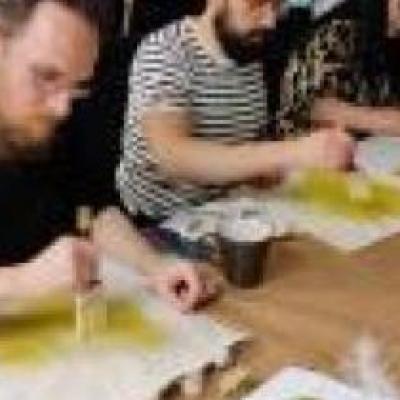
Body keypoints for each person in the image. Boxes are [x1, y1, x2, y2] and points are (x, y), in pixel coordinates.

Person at [0, 0, 214, 312]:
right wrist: (21, 281)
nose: (62, 108)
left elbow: (93, 206)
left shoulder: (54, 121)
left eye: (77, 86)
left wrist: (155, 266)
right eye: (46, 76)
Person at [117, 0, 354, 227]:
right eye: (256, 3)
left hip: (227, 211)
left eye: (276, 5)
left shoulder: (247, 51)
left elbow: (244, 148)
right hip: (161, 224)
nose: (270, 21)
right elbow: (173, 157)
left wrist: (294, 167)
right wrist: (293, 153)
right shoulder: (164, 51)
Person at [278, 0, 400, 138]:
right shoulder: (340, 28)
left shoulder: (392, 35)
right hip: (308, 145)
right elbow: (312, 107)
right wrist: (386, 121)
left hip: (372, 144)